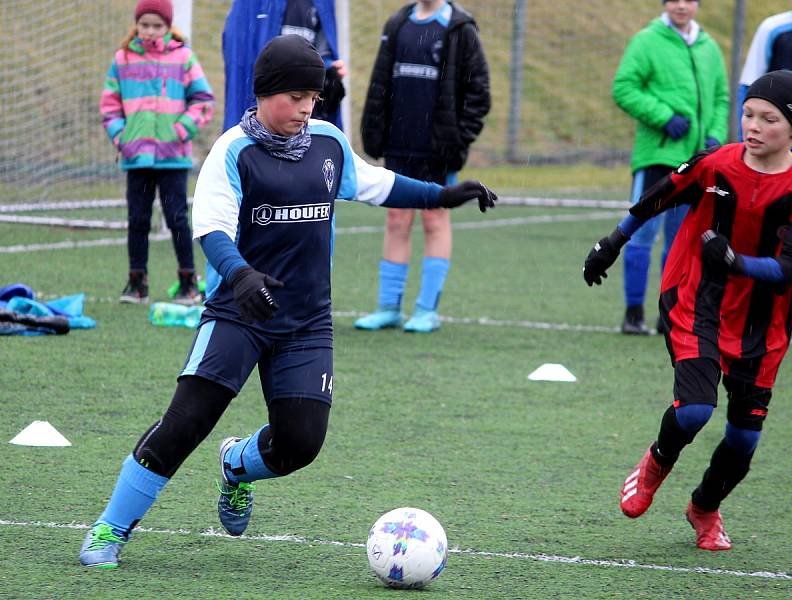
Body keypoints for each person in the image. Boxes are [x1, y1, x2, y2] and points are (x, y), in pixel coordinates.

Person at [79, 34, 497, 569]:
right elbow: (211, 230)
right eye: (296, 96)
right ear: (266, 93)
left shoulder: (327, 144)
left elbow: (377, 183)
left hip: (306, 323)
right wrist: (241, 275)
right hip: (239, 314)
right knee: (185, 423)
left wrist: (442, 195)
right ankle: (112, 527)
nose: (307, 108)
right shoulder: (233, 151)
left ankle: (235, 465)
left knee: (300, 444)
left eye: (313, 97)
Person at [583, 69, 792, 551]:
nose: (754, 125)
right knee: (695, 410)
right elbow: (655, 199)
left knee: (744, 442)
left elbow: (787, 269)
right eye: (748, 114)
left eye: (769, 118)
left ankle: (704, 507)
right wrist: (611, 242)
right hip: (695, 302)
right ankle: (656, 460)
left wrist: (734, 260)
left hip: (762, 327)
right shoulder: (716, 164)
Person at [354, 0, 491, 333]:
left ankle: (427, 310)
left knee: (434, 218)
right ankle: (388, 307)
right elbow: (380, 82)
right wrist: (375, 130)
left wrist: (457, 139)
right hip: (399, 143)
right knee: (396, 218)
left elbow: (479, 94)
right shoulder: (398, 23)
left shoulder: (460, 27)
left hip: (437, 149)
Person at [612, 0, 728, 334]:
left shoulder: (709, 47)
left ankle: (669, 312)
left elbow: (720, 97)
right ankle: (633, 312)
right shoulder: (647, 40)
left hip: (695, 162)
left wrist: (715, 135)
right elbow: (624, 87)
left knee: (681, 238)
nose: (682, 5)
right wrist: (663, 117)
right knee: (642, 232)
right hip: (657, 156)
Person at [100, 0, 214, 305]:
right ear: (137, 24)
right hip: (136, 157)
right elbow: (109, 106)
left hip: (172, 156)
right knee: (137, 218)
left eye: (157, 26)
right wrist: (122, 137)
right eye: (145, 25)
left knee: (177, 217)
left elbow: (203, 100)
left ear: (167, 27)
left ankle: (188, 282)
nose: (150, 31)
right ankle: (137, 283)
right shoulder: (122, 59)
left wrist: (180, 131)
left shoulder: (183, 57)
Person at [737, 1, 792, 328]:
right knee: (771, 229)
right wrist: (743, 145)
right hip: (776, 150)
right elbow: (749, 87)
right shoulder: (774, 29)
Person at [222, 0, 347, 131]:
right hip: (268, 105)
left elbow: (323, 51)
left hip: (307, 127)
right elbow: (241, 57)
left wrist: (329, 75)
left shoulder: (321, 3)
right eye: (296, 97)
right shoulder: (253, 6)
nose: (306, 109)